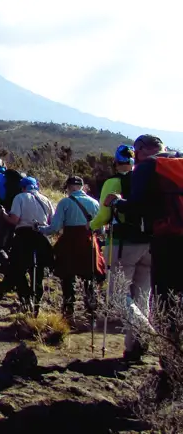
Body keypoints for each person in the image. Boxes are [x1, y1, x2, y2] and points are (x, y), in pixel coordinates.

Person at [107, 135, 183, 386]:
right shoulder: (178, 162)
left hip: (166, 243)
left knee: (164, 302)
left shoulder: (148, 167)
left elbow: (138, 207)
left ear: (140, 150)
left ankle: (170, 367)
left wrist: (118, 203)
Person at [90, 144, 148, 362]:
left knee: (117, 296)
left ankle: (146, 330)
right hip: (150, 245)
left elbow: (103, 216)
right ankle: (134, 348)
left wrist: (91, 226)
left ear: (116, 162)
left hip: (123, 244)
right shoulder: (147, 181)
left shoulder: (114, 183)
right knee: (142, 297)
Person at [38, 176, 105, 319]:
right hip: (89, 243)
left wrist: (39, 229)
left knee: (68, 278)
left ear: (68, 187)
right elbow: (101, 230)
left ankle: (68, 311)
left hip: (69, 243)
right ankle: (91, 312)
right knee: (89, 278)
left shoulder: (65, 202)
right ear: (81, 187)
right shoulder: (94, 202)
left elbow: (55, 227)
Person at [1, 176, 55, 314]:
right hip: (42, 237)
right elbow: (53, 223)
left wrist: (3, 214)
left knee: (17, 269)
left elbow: (14, 220)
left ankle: (26, 299)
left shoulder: (20, 197)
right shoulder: (46, 199)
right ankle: (37, 303)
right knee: (38, 272)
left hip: (23, 237)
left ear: (23, 187)